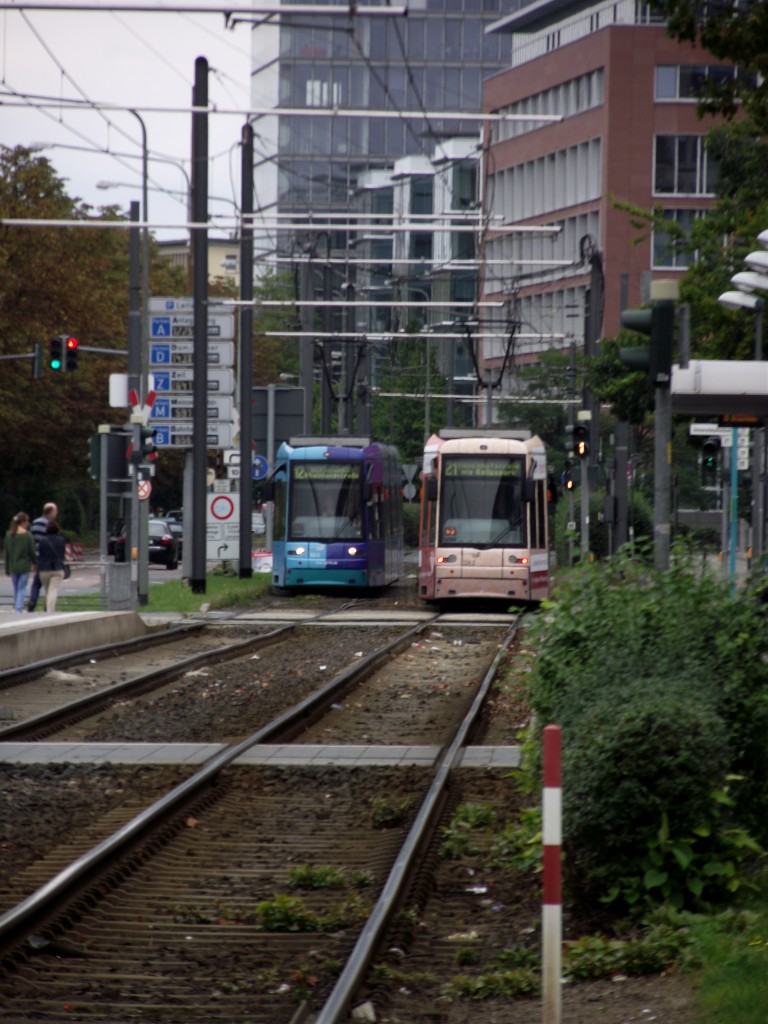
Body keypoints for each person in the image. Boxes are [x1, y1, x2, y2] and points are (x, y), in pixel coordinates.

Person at [28, 501, 58, 612]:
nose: (56, 513)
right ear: (50, 511)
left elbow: (32, 541)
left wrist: (33, 560)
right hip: (48, 558)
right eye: (55, 511)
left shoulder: (35, 523)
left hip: (38, 557)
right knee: (49, 585)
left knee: (36, 583)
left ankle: (33, 600)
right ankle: (48, 606)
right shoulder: (50, 525)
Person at [4, 512, 37, 613]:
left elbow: (7, 553)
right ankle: (19, 608)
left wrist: (7, 568)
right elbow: (32, 552)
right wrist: (35, 563)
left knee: (16, 588)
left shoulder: (9, 535)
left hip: (13, 566)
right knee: (22, 588)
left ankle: (17, 606)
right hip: (24, 566)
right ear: (23, 522)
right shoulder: (27, 535)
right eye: (27, 522)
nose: (28, 524)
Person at [37, 520, 67, 613]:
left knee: (48, 591)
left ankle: (48, 609)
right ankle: (50, 611)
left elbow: (40, 555)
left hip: (44, 570)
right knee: (53, 590)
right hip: (57, 569)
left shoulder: (42, 541)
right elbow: (62, 554)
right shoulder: (61, 540)